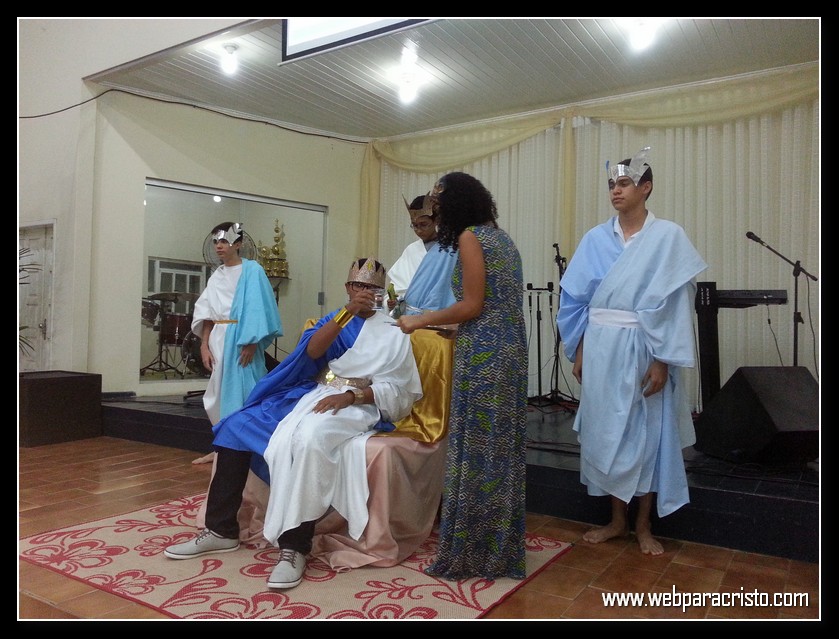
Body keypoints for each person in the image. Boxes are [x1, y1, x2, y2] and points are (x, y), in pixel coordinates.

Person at [164, 257, 423, 590]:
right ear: (348, 288)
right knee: (234, 426)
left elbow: (400, 390)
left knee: (306, 439)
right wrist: (346, 314)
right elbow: (312, 351)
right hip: (314, 393)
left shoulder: (393, 331)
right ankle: (221, 530)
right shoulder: (336, 319)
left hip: (359, 403)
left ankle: (294, 547)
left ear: (380, 293)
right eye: (358, 285)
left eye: (371, 287)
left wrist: (351, 397)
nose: (364, 292)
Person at [556, 147, 708, 556]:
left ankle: (643, 524)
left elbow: (676, 302)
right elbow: (576, 299)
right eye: (612, 184)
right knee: (607, 432)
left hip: (645, 347)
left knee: (647, 436)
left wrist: (662, 359)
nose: (616, 191)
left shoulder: (667, 237)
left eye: (624, 183)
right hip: (601, 349)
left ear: (646, 188)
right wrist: (580, 349)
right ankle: (616, 521)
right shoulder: (595, 239)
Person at [396, 172, 528, 581]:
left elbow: (471, 305)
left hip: (484, 352)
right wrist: (453, 325)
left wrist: (420, 320)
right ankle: (499, 549)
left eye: (439, 207)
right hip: (509, 348)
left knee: (474, 448)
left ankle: (471, 551)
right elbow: (495, 304)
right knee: (499, 448)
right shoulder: (502, 238)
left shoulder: (471, 237)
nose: (437, 216)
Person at [190, 222, 283, 454]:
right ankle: (224, 447)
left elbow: (259, 307)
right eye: (216, 242)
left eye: (224, 241)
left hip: (243, 340)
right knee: (218, 393)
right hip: (219, 340)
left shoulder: (252, 271)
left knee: (246, 391)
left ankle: (246, 448)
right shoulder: (216, 276)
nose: (218, 246)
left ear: (238, 244)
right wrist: (204, 345)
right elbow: (207, 314)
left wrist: (252, 341)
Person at [387, 195, 457, 316]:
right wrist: (394, 302)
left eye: (423, 224)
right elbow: (398, 288)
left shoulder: (450, 250)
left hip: (442, 316)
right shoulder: (411, 250)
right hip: (411, 318)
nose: (418, 230)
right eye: (414, 225)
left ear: (436, 220)